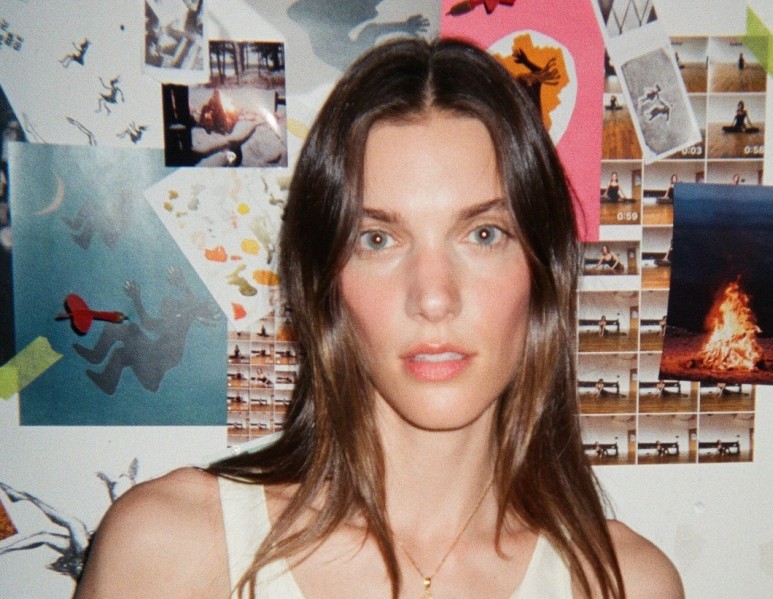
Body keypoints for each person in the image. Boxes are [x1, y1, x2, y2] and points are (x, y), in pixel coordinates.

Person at [75, 38, 682, 599]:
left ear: (541, 271)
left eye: (483, 233)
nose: (434, 297)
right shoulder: (168, 552)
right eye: (378, 240)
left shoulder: (625, 584)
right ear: (324, 281)